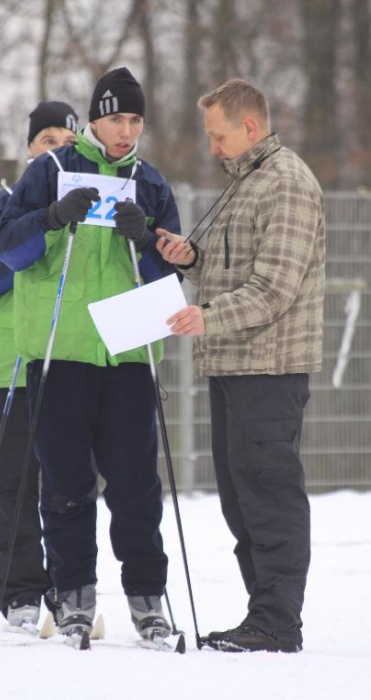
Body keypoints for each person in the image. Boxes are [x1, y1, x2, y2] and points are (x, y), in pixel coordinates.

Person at [0, 67, 181, 641]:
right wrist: (50, 218)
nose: (127, 130)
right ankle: (74, 596)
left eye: (136, 119)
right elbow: (7, 247)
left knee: (135, 485)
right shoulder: (49, 170)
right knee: (66, 483)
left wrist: (145, 239)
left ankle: (148, 600)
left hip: (128, 354)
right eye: (116, 118)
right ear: (94, 119)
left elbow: (170, 273)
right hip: (61, 351)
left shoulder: (150, 182)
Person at [156, 78, 325, 653]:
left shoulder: (286, 183)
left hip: (269, 368)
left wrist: (205, 316)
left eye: (219, 135)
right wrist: (192, 259)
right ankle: (264, 614)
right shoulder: (245, 183)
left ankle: (278, 622)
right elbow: (236, 272)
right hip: (232, 364)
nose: (212, 147)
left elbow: (274, 288)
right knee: (240, 498)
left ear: (250, 127)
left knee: (269, 494)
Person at [0, 101, 80, 630]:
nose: (56, 151)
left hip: (68, 365)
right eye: (47, 140)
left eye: (67, 143)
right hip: (9, 368)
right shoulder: (1, 207)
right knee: (14, 482)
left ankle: (71, 589)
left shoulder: (88, 206)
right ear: (30, 148)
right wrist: (24, 253)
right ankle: (21, 590)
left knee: (68, 486)